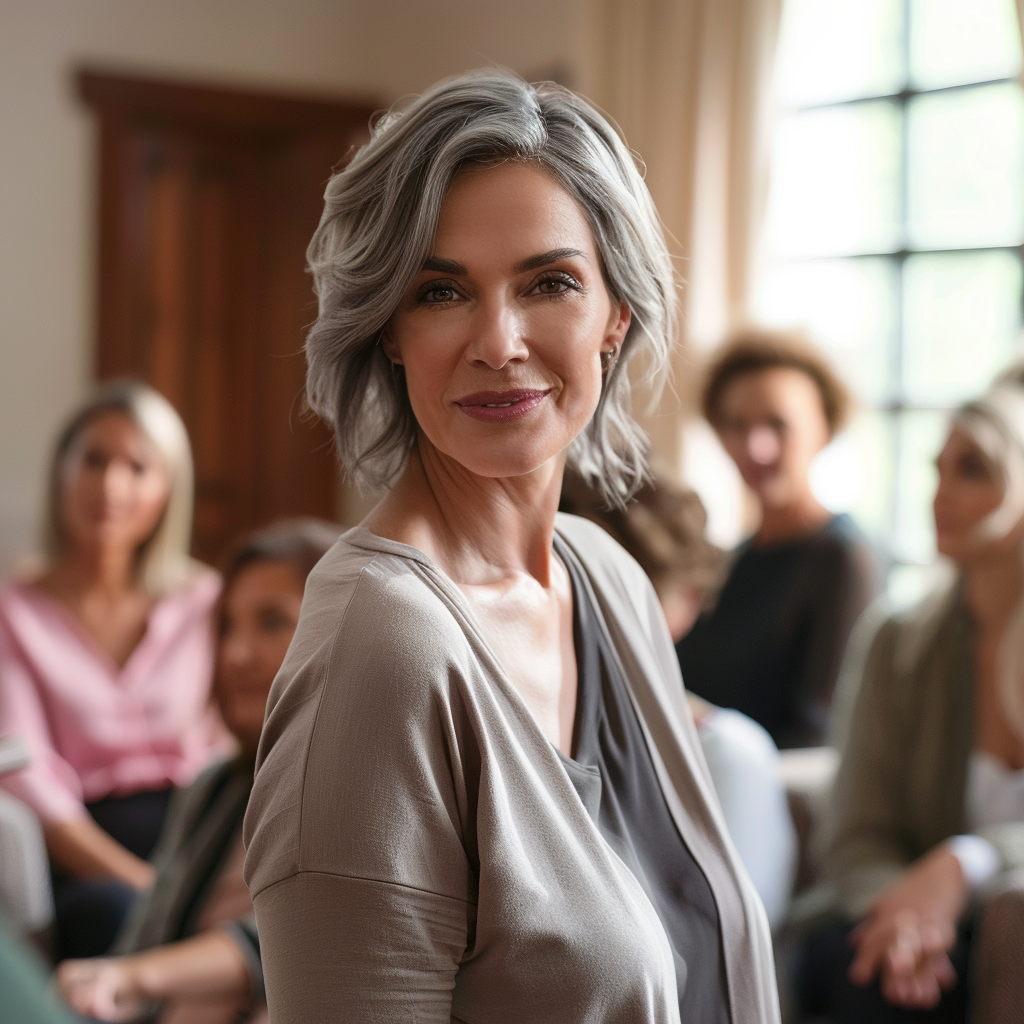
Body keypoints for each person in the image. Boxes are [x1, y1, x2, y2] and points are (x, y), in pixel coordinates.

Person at [243, 70, 779, 1023]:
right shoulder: (383, 649)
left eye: (550, 283)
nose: (498, 341)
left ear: (616, 314)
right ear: (391, 331)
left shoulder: (610, 581)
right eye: (442, 290)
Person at [801, 368, 1024, 1022]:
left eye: (973, 469)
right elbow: (855, 833)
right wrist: (907, 917)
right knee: (874, 974)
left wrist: (966, 864)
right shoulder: (898, 641)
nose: (940, 493)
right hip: (894, 918)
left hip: (999, 919)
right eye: (938, 468)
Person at [57, 518, 340, 1024]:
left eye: (271, 621)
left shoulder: (355, 783)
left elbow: (303, 938)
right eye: (227, 627)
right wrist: (107, 982)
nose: (235, 654)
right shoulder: (213, 786)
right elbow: (144, 936)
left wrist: (133, 977)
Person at [0, 381, 229, 960]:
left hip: (206, 837)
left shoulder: (207, 601)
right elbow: (22, 771)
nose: (111, 485)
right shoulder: (12, 610)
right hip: (86, 861)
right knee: (116, 918)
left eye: (137, 466)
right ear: (61, 471)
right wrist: (149, 888)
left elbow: (239, 741)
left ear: (169, 488)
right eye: (93, 460)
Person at [560, 470, 798, 930]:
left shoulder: (727, 755)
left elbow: (733, 935)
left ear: (687, 601)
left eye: (629, 594)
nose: (594, 615)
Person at [676, 328, 877, 748]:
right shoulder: (726, 563)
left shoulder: (842, 559)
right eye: (736, 425)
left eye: (778, 425)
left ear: (824, 428)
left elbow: (821, 735)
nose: (756, 447)